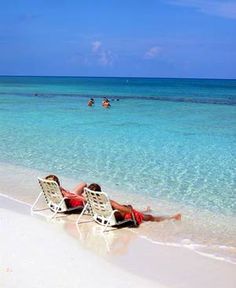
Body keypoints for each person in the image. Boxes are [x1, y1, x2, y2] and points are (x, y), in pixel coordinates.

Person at [87, 183, 181, 226]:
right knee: (150, 217)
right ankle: (172, 218)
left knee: (128, 207)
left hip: (107, 215)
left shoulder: (91, 200)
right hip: (122, 215)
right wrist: (129, 209)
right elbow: (126, 211)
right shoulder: (108, 201)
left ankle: (145, 211)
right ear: (100, 192)